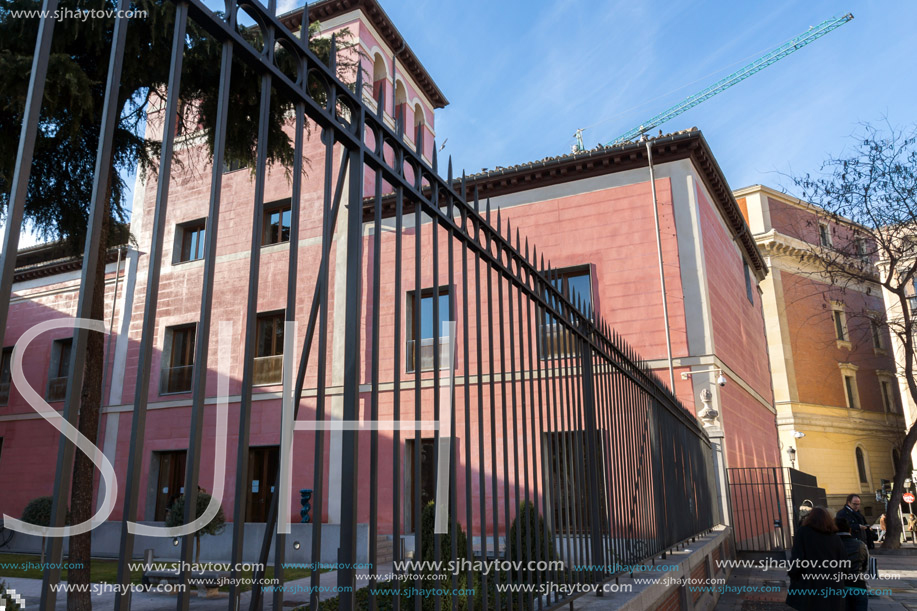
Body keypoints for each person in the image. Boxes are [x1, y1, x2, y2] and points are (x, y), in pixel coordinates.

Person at [786, 507, 848, 611]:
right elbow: (844, 563)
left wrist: (793, 574)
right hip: (833, 585)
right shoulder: (835, 537)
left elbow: (797, 557)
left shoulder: (803, 532)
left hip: (810, 583)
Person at [836, 517, 869, 611]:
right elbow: (866, 566)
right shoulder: (861, 544)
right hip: (859, 586)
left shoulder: (829, 545)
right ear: (850, 530)